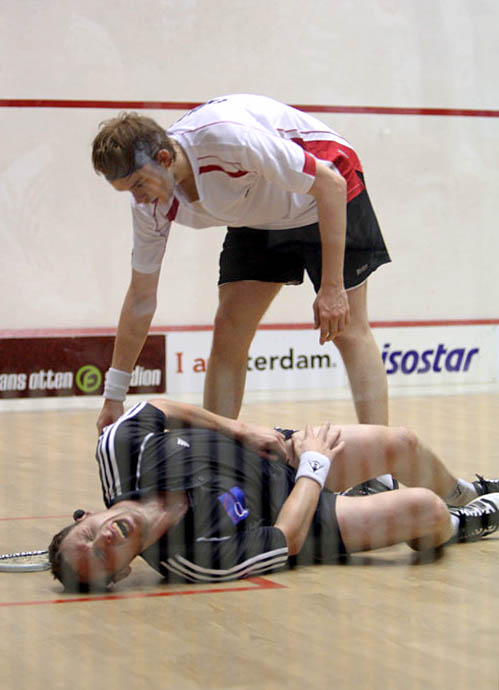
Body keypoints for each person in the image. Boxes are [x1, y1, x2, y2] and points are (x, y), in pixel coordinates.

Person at [91, 95, 391, 443]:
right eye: (127, 191)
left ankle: (381, 460)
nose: (139, 199)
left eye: (139, 185)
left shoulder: (227, 139)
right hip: (260, 213)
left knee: (348, 329)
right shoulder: (149, 205)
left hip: (326, 191)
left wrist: (332, 287)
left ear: (164, 158)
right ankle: (215, 455)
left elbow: (331, 184)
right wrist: (114, 396)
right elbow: (141, 298)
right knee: (229, 327)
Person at [48, 398, 499, 591]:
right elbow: (287, 538)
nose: (104, 538)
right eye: (103, 556)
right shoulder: (195, 559)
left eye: (88, 534)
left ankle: (465, 491)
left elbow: (158, 408)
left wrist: (240, 428)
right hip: (304, 513)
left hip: (275, 452)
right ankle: (461, 522)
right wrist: (314, 465)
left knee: (403, 443)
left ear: (86, 515)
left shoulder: (119, 452)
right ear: (123, 571)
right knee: (424, 509)